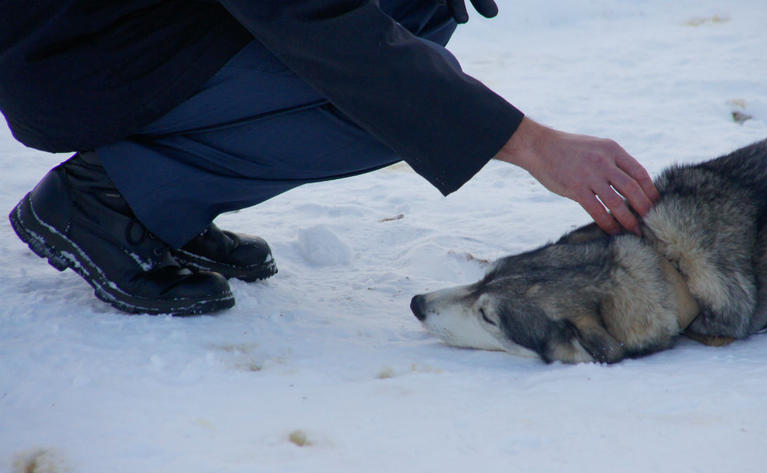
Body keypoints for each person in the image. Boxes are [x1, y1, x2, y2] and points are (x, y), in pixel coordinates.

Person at [1, 0, 659, 316]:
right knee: (394, 101)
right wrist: (532, 143)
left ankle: (159, 193)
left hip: (140, 30)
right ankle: (104, 200)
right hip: (75, 55)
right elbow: (311, 18)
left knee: (418, 22)